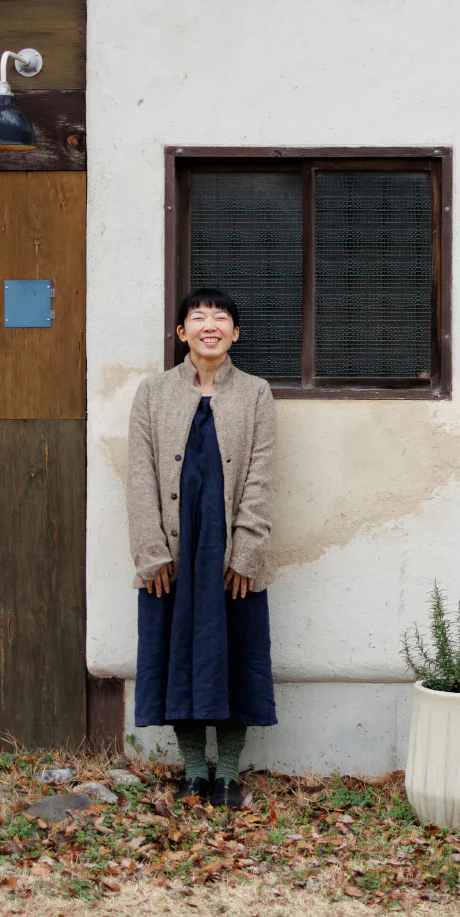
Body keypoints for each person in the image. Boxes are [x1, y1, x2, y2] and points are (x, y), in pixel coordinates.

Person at [126, 287, 279, 807]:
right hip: (174, 554)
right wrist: (151, 552)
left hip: (229, 555)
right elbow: (140, 478)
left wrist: (248, 552)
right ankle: (194, 770)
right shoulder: (153, 393)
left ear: (235, 333)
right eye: (198, 316)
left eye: (221, 318)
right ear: (181, 332)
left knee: (235, 656)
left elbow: (260, 476)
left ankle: (229, 773)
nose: (209, 324)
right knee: (176, 656)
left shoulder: (256, 393)